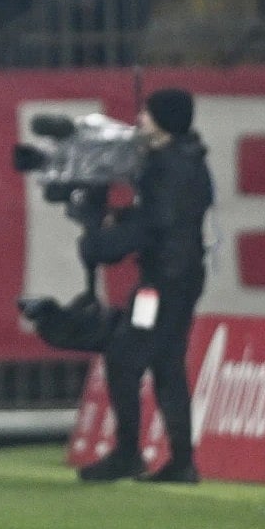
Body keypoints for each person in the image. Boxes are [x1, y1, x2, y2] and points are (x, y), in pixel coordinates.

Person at [76, 88, 214, 483]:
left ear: (165, 120)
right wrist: (122, 220)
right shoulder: (187, 160)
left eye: (148, 114)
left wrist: (107, 242)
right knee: (167, 364)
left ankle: (128, 453)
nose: (140, 120)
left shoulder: (168, 167)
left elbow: (157, 223)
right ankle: (181, 461)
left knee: (123, 356)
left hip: (163, 284)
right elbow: (162, 216)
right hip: (178, 277)